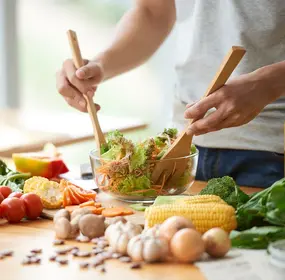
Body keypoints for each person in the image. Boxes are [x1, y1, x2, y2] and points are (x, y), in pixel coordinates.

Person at [56, 0, 284, 188]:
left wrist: (271, 83)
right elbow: (153, 11)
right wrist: (100, 64)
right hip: (183, 150)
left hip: (274, 150)